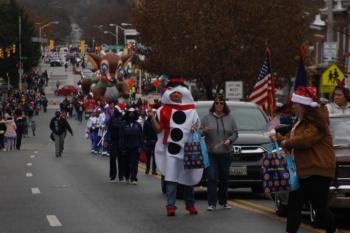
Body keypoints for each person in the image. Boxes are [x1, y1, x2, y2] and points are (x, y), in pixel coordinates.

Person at [276, 87, 337, 233]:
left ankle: (333, 230)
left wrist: (287, 143)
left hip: (318, 170)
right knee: (294, 206)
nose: (293, 107)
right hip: (303, 171)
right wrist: (278, 138)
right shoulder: (299, 121)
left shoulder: (318, 121)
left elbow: (307, 140)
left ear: (303, 105)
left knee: (320, 210)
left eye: (295, 104)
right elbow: (291, 140)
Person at [148, 76, 203, 216]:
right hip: (171, 149)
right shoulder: (163, 110)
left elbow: (197, 126)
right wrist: (152, 117)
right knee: (171, 179)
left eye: (179, 95)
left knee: (188, 180)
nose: (177, 97)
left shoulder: (192, 111)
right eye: (174, 95)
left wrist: (194, 128)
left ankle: (190, 205)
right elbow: (158, 130)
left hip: (188, 150)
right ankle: (170, 206)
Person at [201, 94, 238, 211]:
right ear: (214, 104)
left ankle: (223, 201)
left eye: (221, 103)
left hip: (226, 153)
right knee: (212, 178)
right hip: (211, 153)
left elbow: (235, 133)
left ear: (224, 104)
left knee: (224, 178)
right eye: (217, 103)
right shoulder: (206, 118)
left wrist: (230, 140)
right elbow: (198, 132)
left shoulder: (230, 118)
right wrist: (204, 131)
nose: (219, 105)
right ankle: (211, 203)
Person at [119, 108, 143, 185]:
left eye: (133, 113)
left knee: (134, 163)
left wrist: (140, 147)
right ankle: (127, 177)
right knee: (127, 163)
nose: (131, 115)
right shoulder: (123, 125)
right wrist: (122, 147)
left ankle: (133, 178)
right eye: (130, 113)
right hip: (126, 147)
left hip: (135, 147)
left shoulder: (138, 125)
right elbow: (121, 137)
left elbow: (141, 137)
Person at [107, 105, 125, 182]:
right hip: (113, 141)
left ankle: (121, 176)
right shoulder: (112, 119)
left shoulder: (123, 118)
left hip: (121, 141)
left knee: (121, 159)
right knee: (113, 158)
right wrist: (108, 140)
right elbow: (109, 130)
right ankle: (112, 175)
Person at [143, 108, 158, 175]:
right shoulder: (146, 122)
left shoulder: (157, 121)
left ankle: (154, 170)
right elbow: (144, 132)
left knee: (155, 157)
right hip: (148, 141)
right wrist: (145, 140)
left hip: (155, 141)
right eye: (151, 112)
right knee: (148, 156)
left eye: (154, 113)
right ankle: (147, 169)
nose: (152, 114)